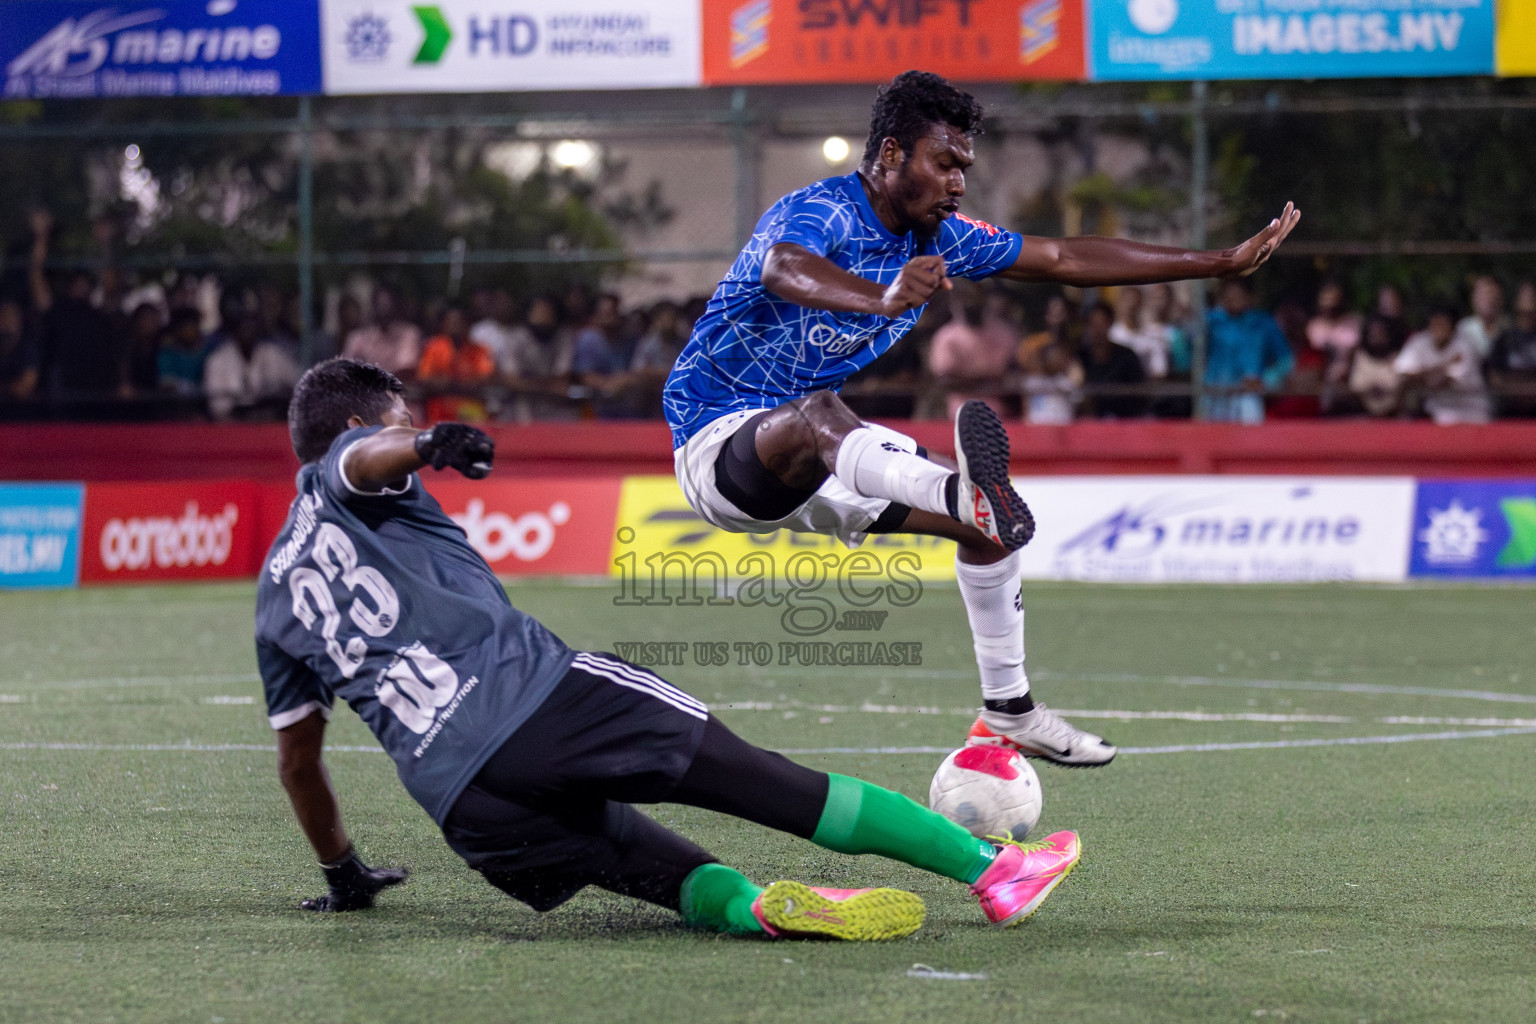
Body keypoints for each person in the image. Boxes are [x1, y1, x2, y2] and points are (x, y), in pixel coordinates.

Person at [257, 357, 1081, 938]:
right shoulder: (357, 456)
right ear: (364, 423)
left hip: (464, 805)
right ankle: (993, 869)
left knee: (652, 866)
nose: (406, 426)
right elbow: (361, 462)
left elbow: (299, 762)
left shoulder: (272, 595)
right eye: (398, 411)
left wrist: (345, 876)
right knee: (772, 785)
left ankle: (753, 908)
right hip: (543, 702)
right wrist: (426, 442)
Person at [661, 70, 1298, 764]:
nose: (959, 181)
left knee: (988, 532)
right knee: (824, 413)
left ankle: (1010, 709)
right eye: (945, 163)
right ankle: (965, 493)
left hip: (819, 458)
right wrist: (881, 297)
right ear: (892, 154)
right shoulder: (824, 211)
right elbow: (785, 267)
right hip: (719, 441)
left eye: (964, 167)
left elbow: (1064, 256)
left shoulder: (942, 239)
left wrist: (1218, 262)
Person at [1203, 279, 1293, 424]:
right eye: (1229, 295)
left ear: (1250, 297)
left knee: (1249, 442)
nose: (1233, 299)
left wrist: (1266, 380)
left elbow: (1286, 360)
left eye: (1238, 295)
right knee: (1211, 440)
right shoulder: (1212, 322)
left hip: (1248, 395)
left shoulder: (1263, 323)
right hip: (1215, 393)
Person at [927, 278, 1020, 419]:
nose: (970, 303)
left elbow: (1015, 372)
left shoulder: (1004, 332)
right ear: (956, 302)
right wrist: (988, 383)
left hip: (1003, 415)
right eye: (964, 298)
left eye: (974, 297)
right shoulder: (946, 337)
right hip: (962, 414)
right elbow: (945, 381)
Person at [1395, 307, 1491, 425]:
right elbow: (1402, 374)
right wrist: (1442, 366)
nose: (1439, 329)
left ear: (1453, 327)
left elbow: (1440, 383)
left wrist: (1421, 375)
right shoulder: (1419, 341)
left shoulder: (1465, 345)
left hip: (1470, 406)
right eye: (1435, 324)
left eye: (1443, 324)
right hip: (1437, 406)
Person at [203, 311, 301, 421]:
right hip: (232, 423)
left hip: (268, 420)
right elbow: (216, 405)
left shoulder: (271, 353)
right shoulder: (218, 359)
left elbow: (298, 380)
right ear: (235, 332)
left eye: (252, 328)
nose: (248, 332)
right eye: (244, 328)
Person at [416, 304, 495, 423]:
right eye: (451, 322)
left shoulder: (480, 350)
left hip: (470, 406)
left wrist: (460, 383)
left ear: (467, 324)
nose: (455, 326)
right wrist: (444, 383)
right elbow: (424, 378)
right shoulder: (433, 347)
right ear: (444, 324)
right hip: (440, 407)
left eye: (459, 322)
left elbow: (486, 377)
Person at [1079, 302, 1146, 419]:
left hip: (1124, 422)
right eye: (1092, 324)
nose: (1097, 329)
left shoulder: (1127, 356)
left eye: (1101, 323)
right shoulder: (1080, 358)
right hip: (1090, 423)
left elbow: (1139, 393)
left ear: (1110, 323)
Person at [1487, 281, 1536, 418]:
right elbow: (1494, 376)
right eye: (1525, 296)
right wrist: (1515, 391)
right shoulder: (1505, 337)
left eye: (1532, 296)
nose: (1529, 301)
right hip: (1509, 413)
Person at [1455, 275, 1508, 361]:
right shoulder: (1463, 329)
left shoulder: (1509, 328)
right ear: (1474, 299)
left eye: (1493, 295)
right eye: (1484, 295)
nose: (1489, 300)